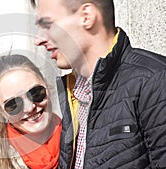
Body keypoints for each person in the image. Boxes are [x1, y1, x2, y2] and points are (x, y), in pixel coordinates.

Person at [29, 0, 166, 168]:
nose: (38, 40)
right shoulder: (73, 94)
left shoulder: (155, 81)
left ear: (86, 16)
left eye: (48, 24)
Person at [0, 54, 62, 169]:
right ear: (0, 111)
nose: (30, 107)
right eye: (13, 104)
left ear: (47, 85)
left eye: (36, 93)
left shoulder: (80, 137)